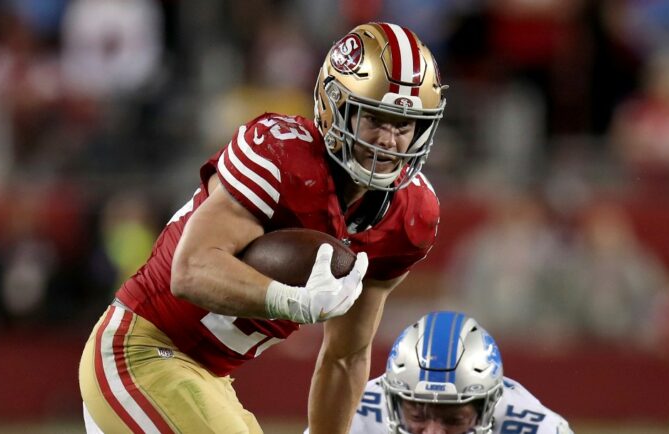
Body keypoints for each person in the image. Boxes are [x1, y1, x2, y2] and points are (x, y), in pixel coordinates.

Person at [79, 21, 445, 434]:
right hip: (142, 351)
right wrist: (290, 300)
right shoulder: (281, 154)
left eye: (404, 124)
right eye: (374, 118)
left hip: (209, 379)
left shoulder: (410, 214)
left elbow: (346, 356)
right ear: (334, 106)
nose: (389, 141)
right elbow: (191, 269)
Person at [319, 311, 573, 434]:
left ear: (488, 407)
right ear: (392, 401)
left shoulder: (538, 429)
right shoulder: (357, 413)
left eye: (452, 420)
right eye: (418, 415)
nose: (433, 432)